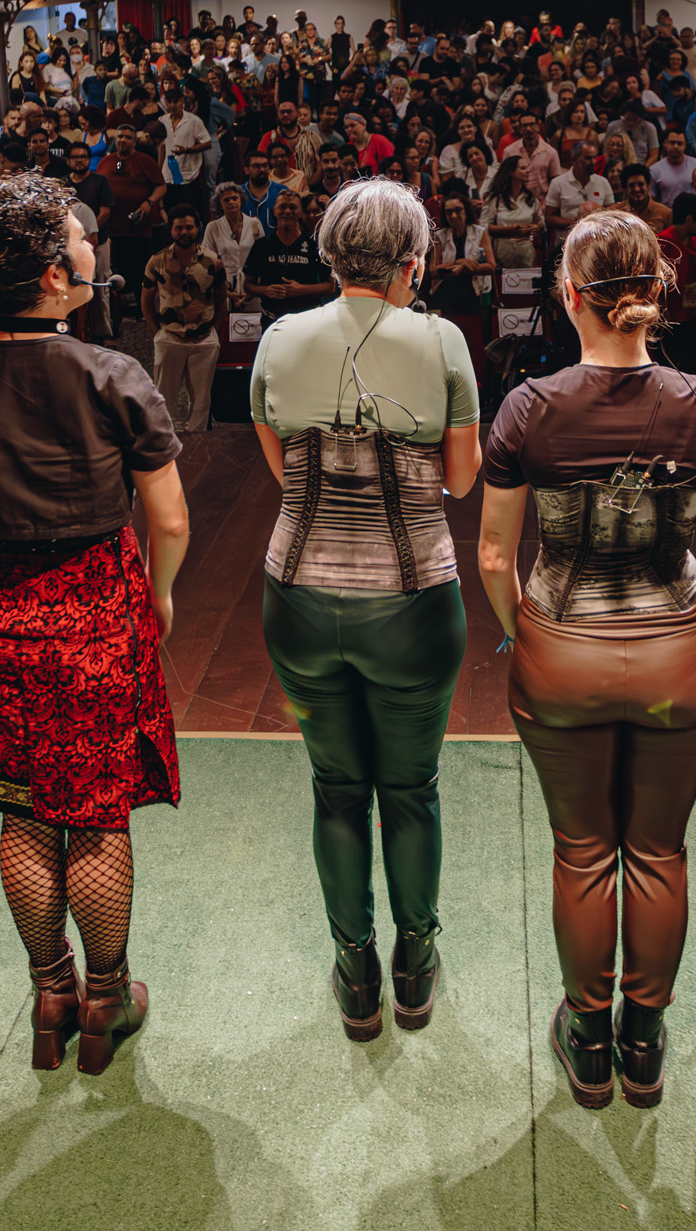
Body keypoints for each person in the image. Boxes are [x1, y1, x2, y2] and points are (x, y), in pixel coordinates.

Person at [0, 174, 189, 1075]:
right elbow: (171, 517)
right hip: (96, 601)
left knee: (22, 814)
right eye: (77, 237)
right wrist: (161, 592)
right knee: (97, 817)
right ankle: (107, 999)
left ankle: (48, 992)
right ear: (50, 271)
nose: (89, 246)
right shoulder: (113, 373)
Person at [477, 213, 696, 1108]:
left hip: (562, 648)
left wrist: (526, 638)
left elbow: (492, 556)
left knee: (584, 849)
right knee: (660, 850)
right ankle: (644, 1039)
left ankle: (587, 1039)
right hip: (684, 651)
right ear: (658, 291)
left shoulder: (528, 408)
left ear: (568, 295)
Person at [249, 181, 483, 1040]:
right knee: (410, 789)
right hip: (414, 601)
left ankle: (356, 971)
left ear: (329, 254)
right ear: (413, 262)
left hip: (298, 599)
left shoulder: (278, 338)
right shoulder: (442, 339)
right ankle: (415, 963)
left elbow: (281, 466)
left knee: (336, 788)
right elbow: (461, 480)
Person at [144, 206, 224, 433]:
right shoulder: (156, 261)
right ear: (171, 230)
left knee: (201, 400)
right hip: (170, 338)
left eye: (189, 227)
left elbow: (220, 298)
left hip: (204, 340)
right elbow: (146, 298)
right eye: (179, 228)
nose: (184, 232)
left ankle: (198, 444)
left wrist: (216, 330)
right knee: (163, 397)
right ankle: (164, 441)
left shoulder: (212, 261)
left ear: (196, 229)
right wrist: (156, 331)